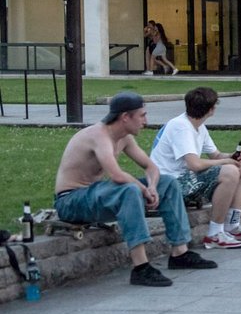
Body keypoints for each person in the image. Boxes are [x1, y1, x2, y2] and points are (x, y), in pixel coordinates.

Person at [54, 92, 217, 287]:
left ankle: (180, 253)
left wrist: (153, 187)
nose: (145, 121)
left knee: (168, 183)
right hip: (71, 201)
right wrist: (143, 189)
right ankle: (141, 267)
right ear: (125, 117)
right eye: (142, 115)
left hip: (95, 195)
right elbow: (116, 175)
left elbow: (151, 168)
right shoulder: (98, 135)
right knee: (129, 190)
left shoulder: (124, 138)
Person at [150, 87, 241, 249]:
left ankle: (233, 224)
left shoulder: (198, 126)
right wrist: (225, 164)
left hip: (186, 178)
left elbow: (215, 155)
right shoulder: (181, 127)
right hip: (171, 184)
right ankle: (215, 233)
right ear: (211, 109)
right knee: (230, 172)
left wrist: (231, 157)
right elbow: (194, 164)